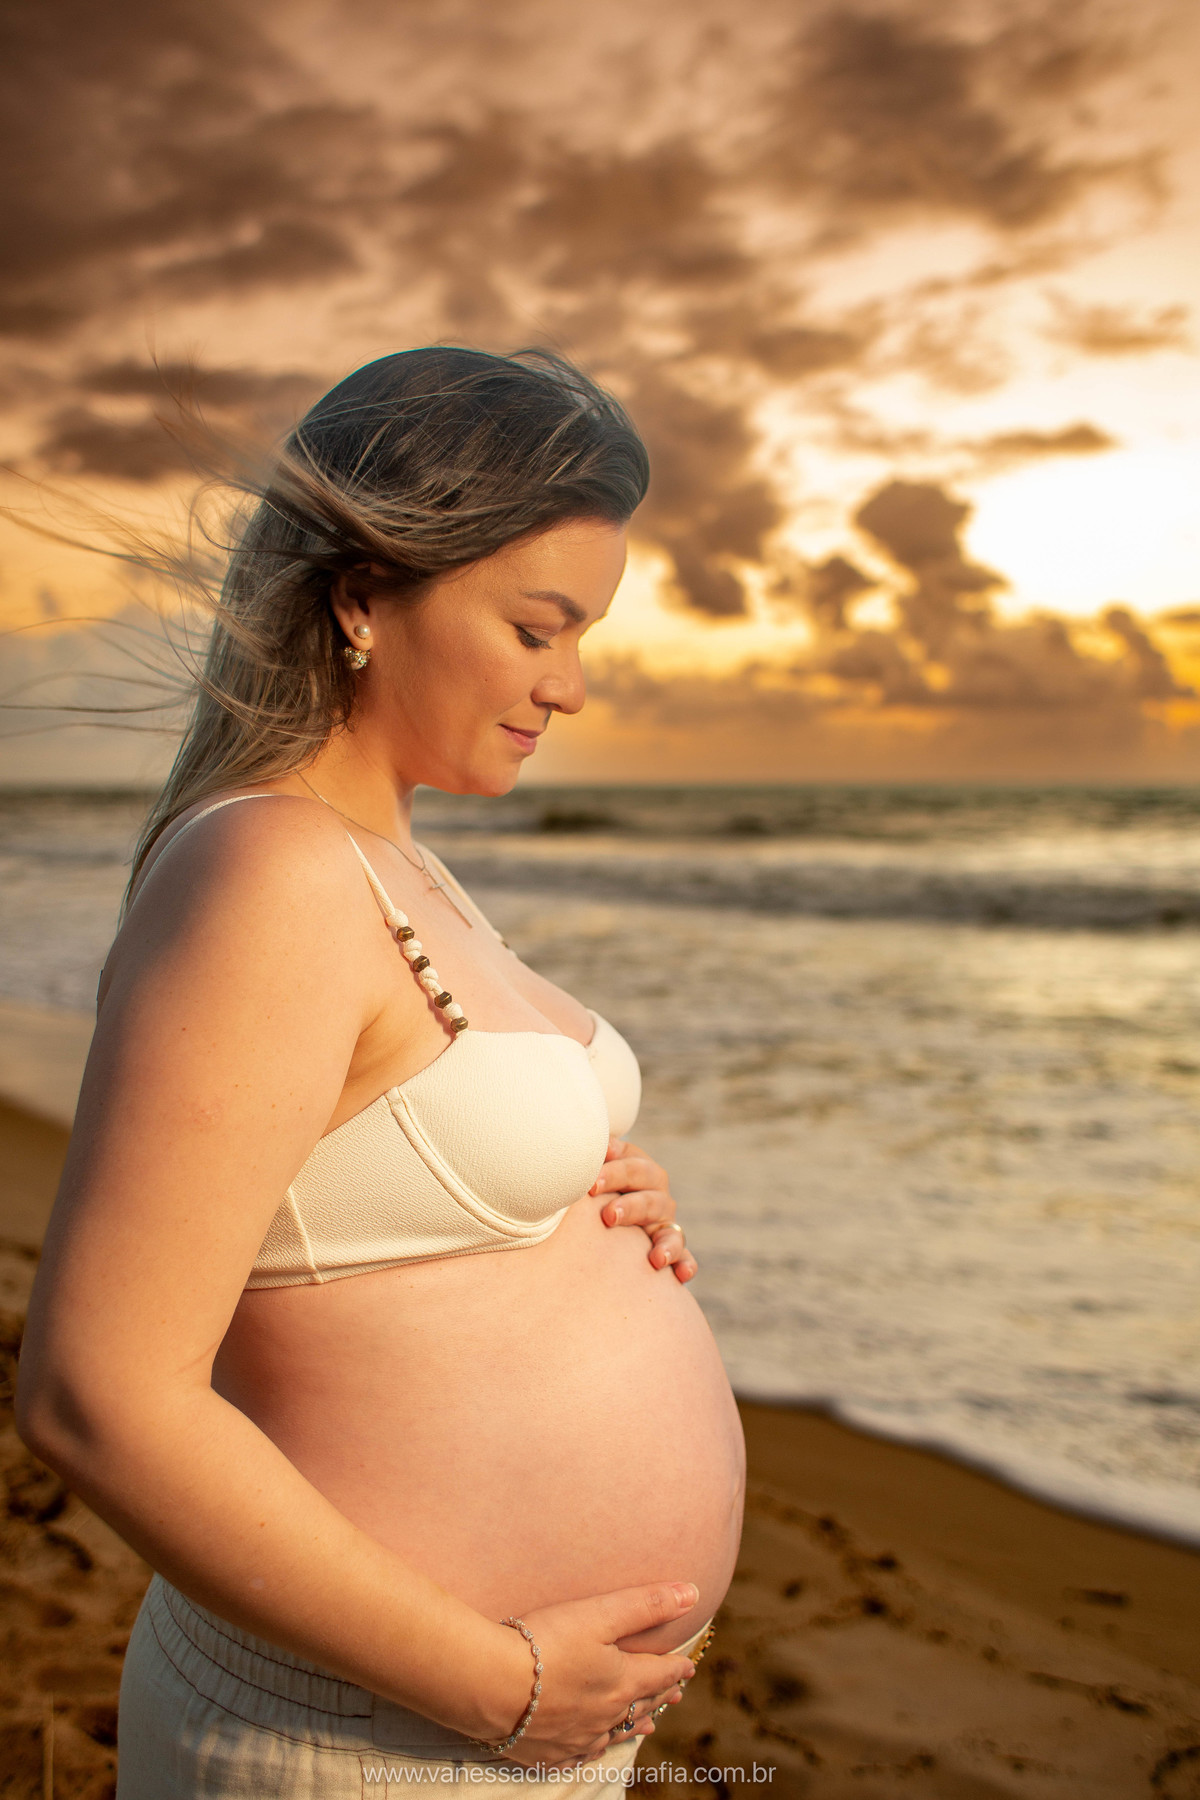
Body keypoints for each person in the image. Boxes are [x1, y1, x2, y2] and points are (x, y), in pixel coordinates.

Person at [16, 347, 746, 1795]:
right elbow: (96, 1394)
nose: (571, 686)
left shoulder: (389, 857)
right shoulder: (268, 874)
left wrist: (581, 1212)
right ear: (361, 597)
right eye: (537, 629)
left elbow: (372, 1178)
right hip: (370, 1736)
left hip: (487, 1733)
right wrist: (495, 1685)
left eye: (584, 636)